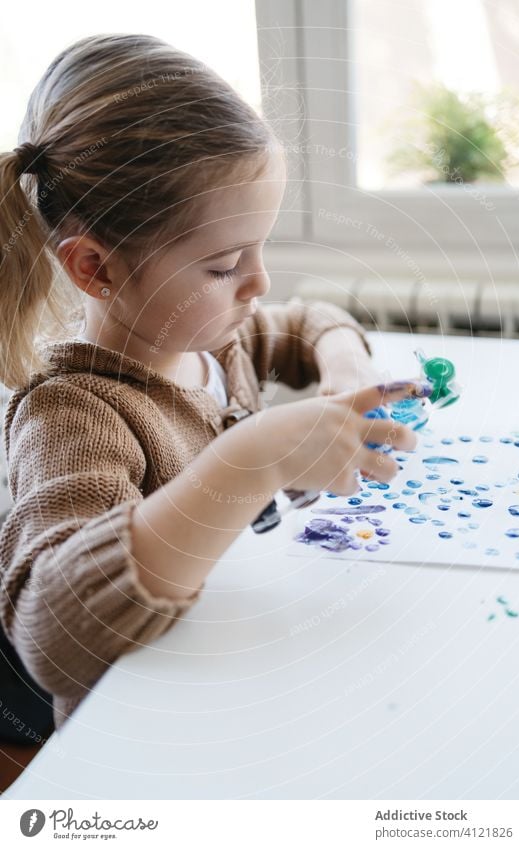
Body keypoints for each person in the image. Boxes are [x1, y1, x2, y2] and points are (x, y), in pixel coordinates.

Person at [0, 34, 421, 731]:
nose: (259, 282)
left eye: (262, 246)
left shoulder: (212, 339)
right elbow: (56, 633)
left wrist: (345, 367)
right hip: (149, 741)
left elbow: (312, 321)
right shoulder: (73, 414)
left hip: (250, 689)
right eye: (224, 265)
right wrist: (250, 458)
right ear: (94, 268)